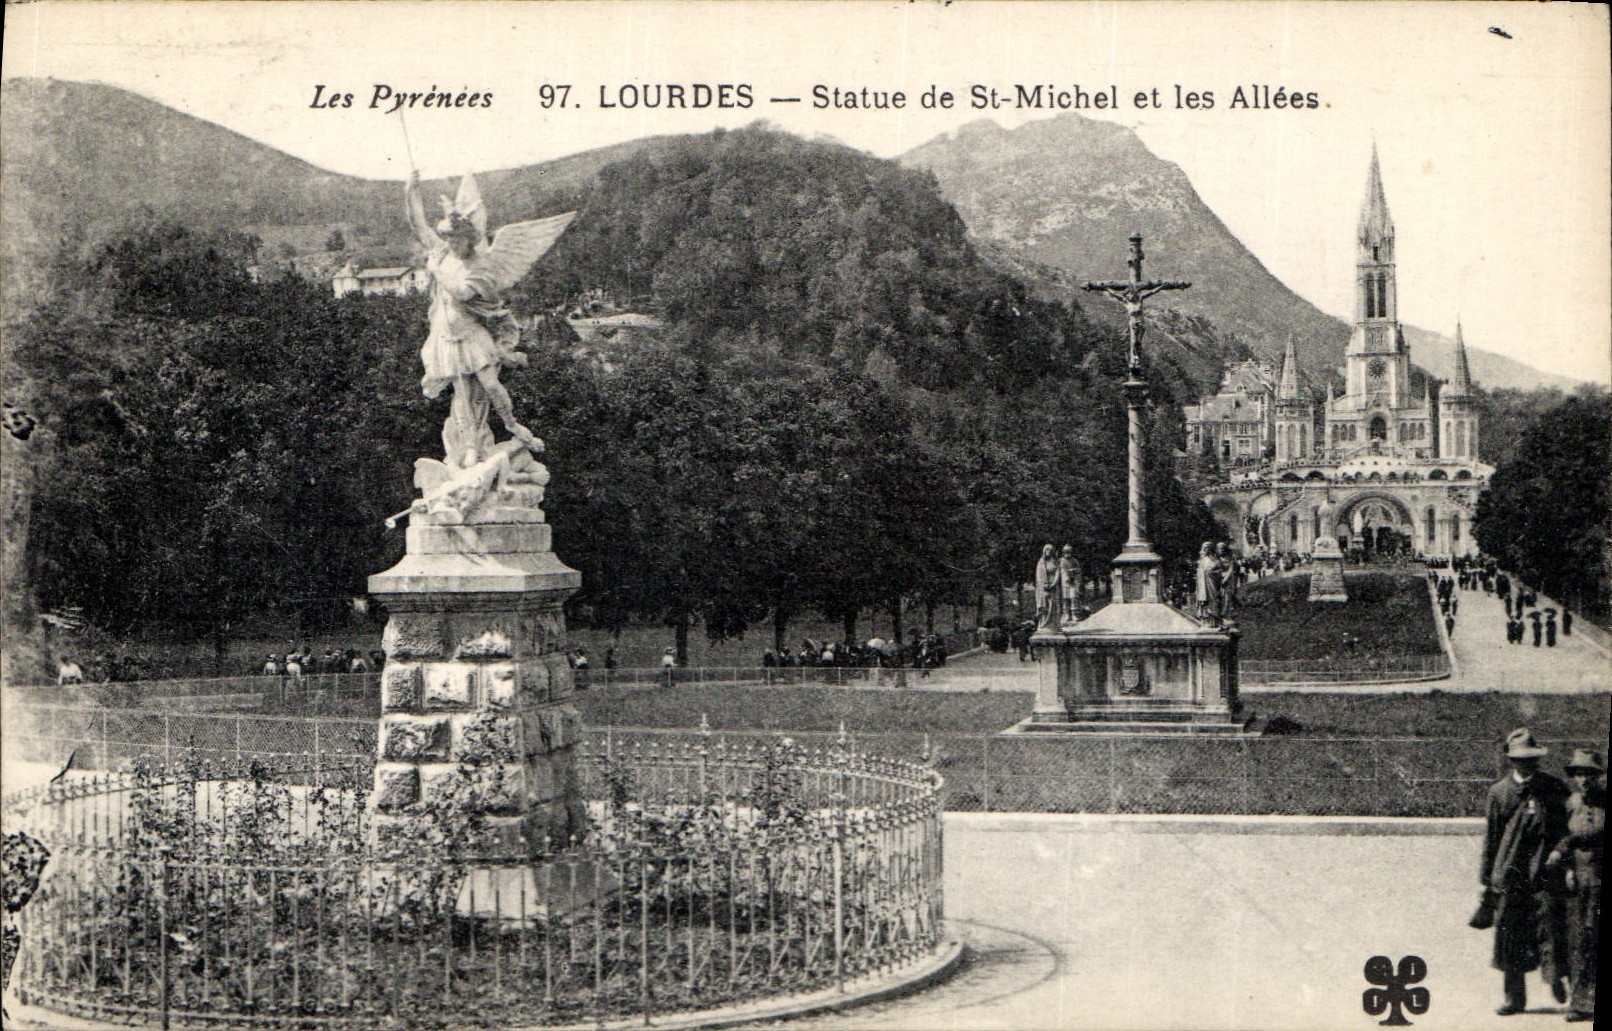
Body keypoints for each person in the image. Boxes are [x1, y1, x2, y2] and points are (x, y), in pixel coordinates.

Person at [406, 171, 574, 466]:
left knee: (490, 384)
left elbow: (461, 293)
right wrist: (411, 193)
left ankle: (512, 424)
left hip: (471, 335)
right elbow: (418, 225)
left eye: (457, 240)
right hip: (445, 337)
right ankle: (470, 445)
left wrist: (434, 270)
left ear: (469, 239)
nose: (451, 244)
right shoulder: (442, 255)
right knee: (462, 395)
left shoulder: (479, 266)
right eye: (448, 239)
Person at [1479, 728, 1570, 1016]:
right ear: (1510, 761)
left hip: (1545, 871)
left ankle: (1554, 977)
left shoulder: (1554, 789)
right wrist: (1488, 880)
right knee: (1510, 934)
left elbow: (1567, 830)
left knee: (1551, 929)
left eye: (1531, 759)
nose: (1526, 764)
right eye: (1520, 759)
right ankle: (1514, 998)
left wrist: (1562, 859)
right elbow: (1492, 838)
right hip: (1511, 874)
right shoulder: (1499, 793)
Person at [1549, 749, 1602, 1023]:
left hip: (1599, 877)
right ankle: (1580, 1002)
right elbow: (1564, 838)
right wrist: (1565, 864)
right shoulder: (1570, 804)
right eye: (1579, 774)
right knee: (1579, 939)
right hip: (1577, 882)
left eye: (1589, 774)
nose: (1584, 780)